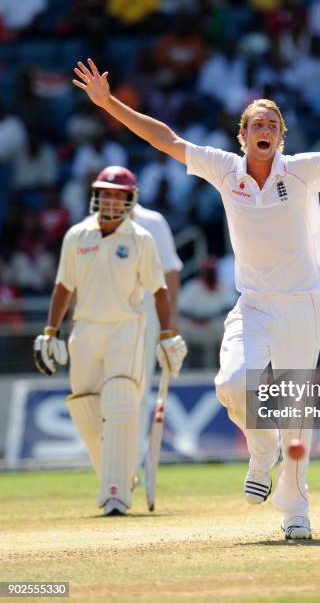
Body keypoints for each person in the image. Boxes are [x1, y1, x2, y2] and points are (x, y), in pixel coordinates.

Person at [72, 57, 320, 539]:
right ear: (242, 135)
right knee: (232, 383)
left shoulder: (301, 171)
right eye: (256, 123)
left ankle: (296, 512)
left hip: (302, 305)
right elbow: (164, 139)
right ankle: (260, 450)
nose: (265, 128)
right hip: (252, 303)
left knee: (296, 414)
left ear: (282, 136)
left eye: (272, 123)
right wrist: (110, 104)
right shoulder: (224, 169)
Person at [33, 165, 187, 516]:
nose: (112, 201)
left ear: (131, 199)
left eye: (119, 196)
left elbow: (160, 289)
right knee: (85, 407)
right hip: (85, 330)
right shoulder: (77, 236)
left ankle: (116, 495)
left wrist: (166, 334)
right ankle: (117, 475)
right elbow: (63, 286)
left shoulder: (141, 238)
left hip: (127, 329)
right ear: (96, 196)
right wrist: (50, 331)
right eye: (107, 194)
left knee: (120, 399)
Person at [130, 202, 183, 472]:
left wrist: (171, 318)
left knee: (138, 385)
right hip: (105, 313)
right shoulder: (91, 224)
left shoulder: (153, 221)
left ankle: (135, 455)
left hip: (147, 311)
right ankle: (114, 453)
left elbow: (170, 271)